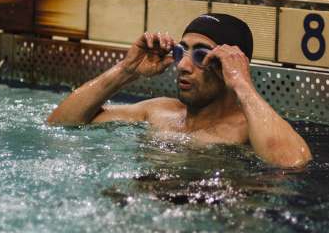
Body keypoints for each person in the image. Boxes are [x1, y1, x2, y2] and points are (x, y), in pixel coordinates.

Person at [48, 14, 312, 170]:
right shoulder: (158, 111)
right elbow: (62, 123)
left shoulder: (245, 131)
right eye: (180, 52)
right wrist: (126, 70)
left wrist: (242, 84)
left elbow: (292, 163)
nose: (183, 66)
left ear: (228, 65)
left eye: (201, 55)